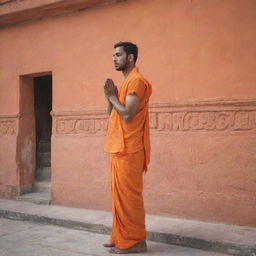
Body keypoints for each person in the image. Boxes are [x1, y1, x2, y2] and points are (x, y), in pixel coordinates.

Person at [103, 41, 152, 254]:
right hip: (118, 147)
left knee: (129, 198)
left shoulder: (137, 82)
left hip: (130, 149)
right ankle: (120, 237)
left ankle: (136, 241)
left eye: (118, 55)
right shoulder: (125, 84)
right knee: (118, 196)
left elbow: (128, 114)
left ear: (130, 57)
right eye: (113, 55)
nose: (114, 58)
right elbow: (114, 114)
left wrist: (113, 97)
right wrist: (110, 97)